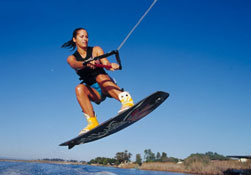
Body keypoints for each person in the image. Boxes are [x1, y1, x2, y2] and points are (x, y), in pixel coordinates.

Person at [61, 28, 134, 135]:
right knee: (79, 88)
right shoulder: (71, 58)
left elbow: (106, 63)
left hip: (107, 84)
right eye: (81, 37)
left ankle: (126, 101)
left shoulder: (96, 50)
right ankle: (92, 122)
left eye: (86, 36)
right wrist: (86, 63)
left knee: (100, 77)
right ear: (74, 39)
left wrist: (111, 66)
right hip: (95, 92)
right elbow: (75, 64)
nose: (85, 39)